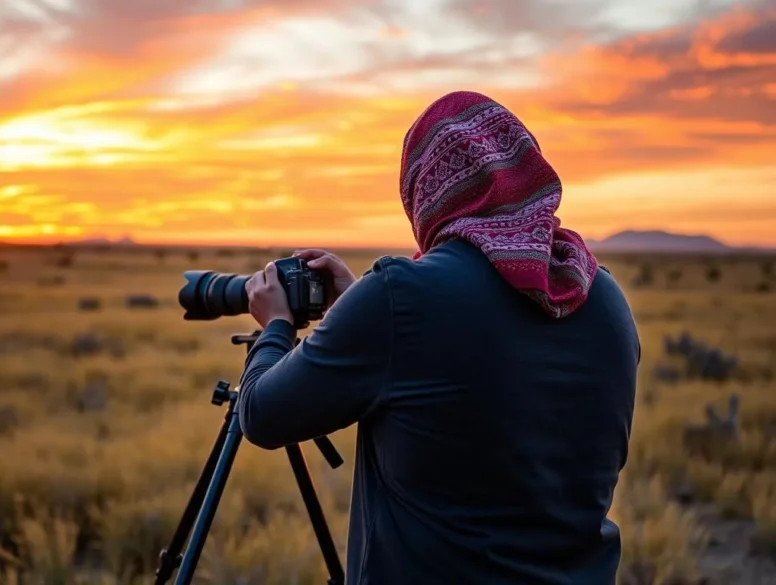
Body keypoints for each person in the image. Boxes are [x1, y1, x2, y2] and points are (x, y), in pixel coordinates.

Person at [237, 90, 640, 584]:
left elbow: (261, 415)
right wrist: (358, 309)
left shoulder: (400, 297)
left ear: (424, 189)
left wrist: (276, 325)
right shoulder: (602, 296)